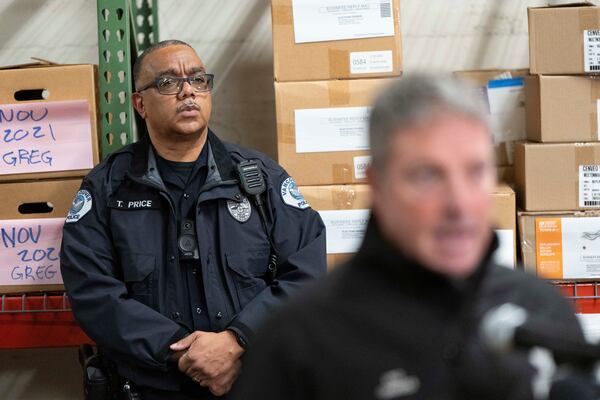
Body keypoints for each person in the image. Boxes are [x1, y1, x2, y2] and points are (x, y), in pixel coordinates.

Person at [232, 75, 586, 400]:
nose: (459, 204)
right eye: (427, 176)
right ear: (377, 183)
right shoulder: (299, 340)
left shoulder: (539, 309)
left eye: (475, 172)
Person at [60, 39, 326, 399]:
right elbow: (91, 290)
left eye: (199, 80)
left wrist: (237, 340)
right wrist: (179, 352)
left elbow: (306, 273)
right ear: (140, 103)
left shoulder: (260, 179)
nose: (188, 92)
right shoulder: (109, 187)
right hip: (150, 387)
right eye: (169, 83)